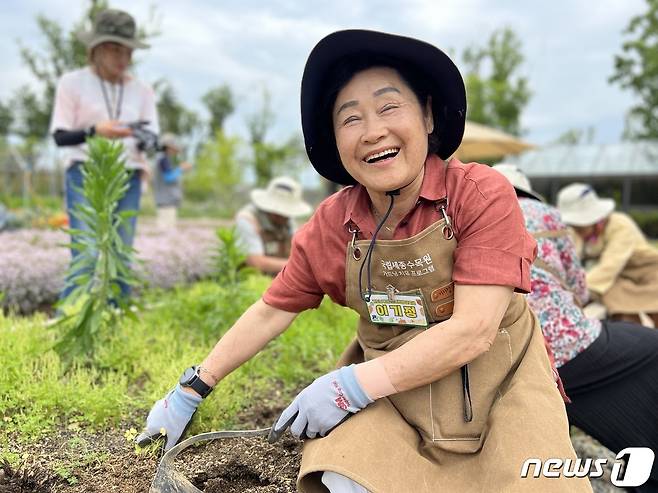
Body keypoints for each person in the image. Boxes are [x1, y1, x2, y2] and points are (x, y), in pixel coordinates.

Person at [137, 30, 590, 492]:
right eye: (349, 118)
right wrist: (191, 389)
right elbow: (273, 309)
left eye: (389, 107)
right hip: (393, 398)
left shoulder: (479, 194)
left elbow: (474, 329)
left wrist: (347, 388)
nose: (373, 131)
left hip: (501, 387)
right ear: (334, 141)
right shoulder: (333, 223)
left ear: (428, 115)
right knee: (344, 472)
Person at [495, 164, 658, 491]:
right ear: (527, 193)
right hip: (562, 341)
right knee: (650, 347)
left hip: (502, 349)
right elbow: (580, 288)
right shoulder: (546, 215)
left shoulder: (461, 217)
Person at [50, 8, 159, 301]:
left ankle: (116, 315)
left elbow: (151, 137)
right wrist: (96, 130)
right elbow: (60, 136)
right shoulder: (72, 83)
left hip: (127, 175)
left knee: (120, 252)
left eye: (127, 51)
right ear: (95, 49)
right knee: (85, 250)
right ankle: (72, 313)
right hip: (85, 170)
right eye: (114, 49)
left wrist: (146, 139)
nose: (122, 58)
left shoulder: (142, 90)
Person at [557, 183, 658, 326]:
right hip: (621, 279)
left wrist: (577, 293)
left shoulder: (620, 225)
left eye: (580, 225)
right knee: (619, 307)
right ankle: (636, 340)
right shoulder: (577, 232)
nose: (576, 230)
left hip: (650, 275)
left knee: (655, 311)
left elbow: (609, 266)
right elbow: (574, 262)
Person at [234, 176, 312, 275]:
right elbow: (255, 262)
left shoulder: (288, 220)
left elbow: (297, 247)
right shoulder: (248, 219)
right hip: (250, 279)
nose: (284, 215)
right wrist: (299, 266)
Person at [153, 133, 193, 229]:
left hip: (166, 200)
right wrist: (181, 169)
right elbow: (168, 178)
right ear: (168, 147)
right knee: (166, 229)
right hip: (166, 200)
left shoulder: (164, 159)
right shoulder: (163, 160)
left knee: (166, 228)